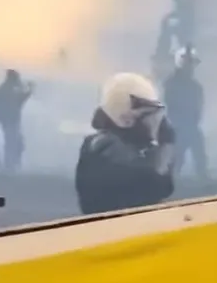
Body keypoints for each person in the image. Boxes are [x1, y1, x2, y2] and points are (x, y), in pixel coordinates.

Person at [75, 72, 176, 215]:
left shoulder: (112, 144)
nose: (156, 122)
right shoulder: (106, 148)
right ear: (126, 118)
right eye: (149, 116)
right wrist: (167, 145)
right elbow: (157, 183)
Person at [162, 46, 208, 181]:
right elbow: (169, 103)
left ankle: (202, 178)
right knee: (177, 156)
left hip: (191, 125)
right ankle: (171, 181)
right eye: (188, 63)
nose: (191, 67)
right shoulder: (171, 83)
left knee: (199, 154)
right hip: (178, 125)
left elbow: (198, 105)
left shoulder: (195, 85)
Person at [0, 69, 33, 173]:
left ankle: (10, 166)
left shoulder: (5, 90)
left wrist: (28, 91)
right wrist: (29, 90)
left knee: (15, 144)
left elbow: (18, 101)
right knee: (13, 144)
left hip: (10, 121)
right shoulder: (6, 90)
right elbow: (18, 101)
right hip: (9, 121)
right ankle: (9, 166)